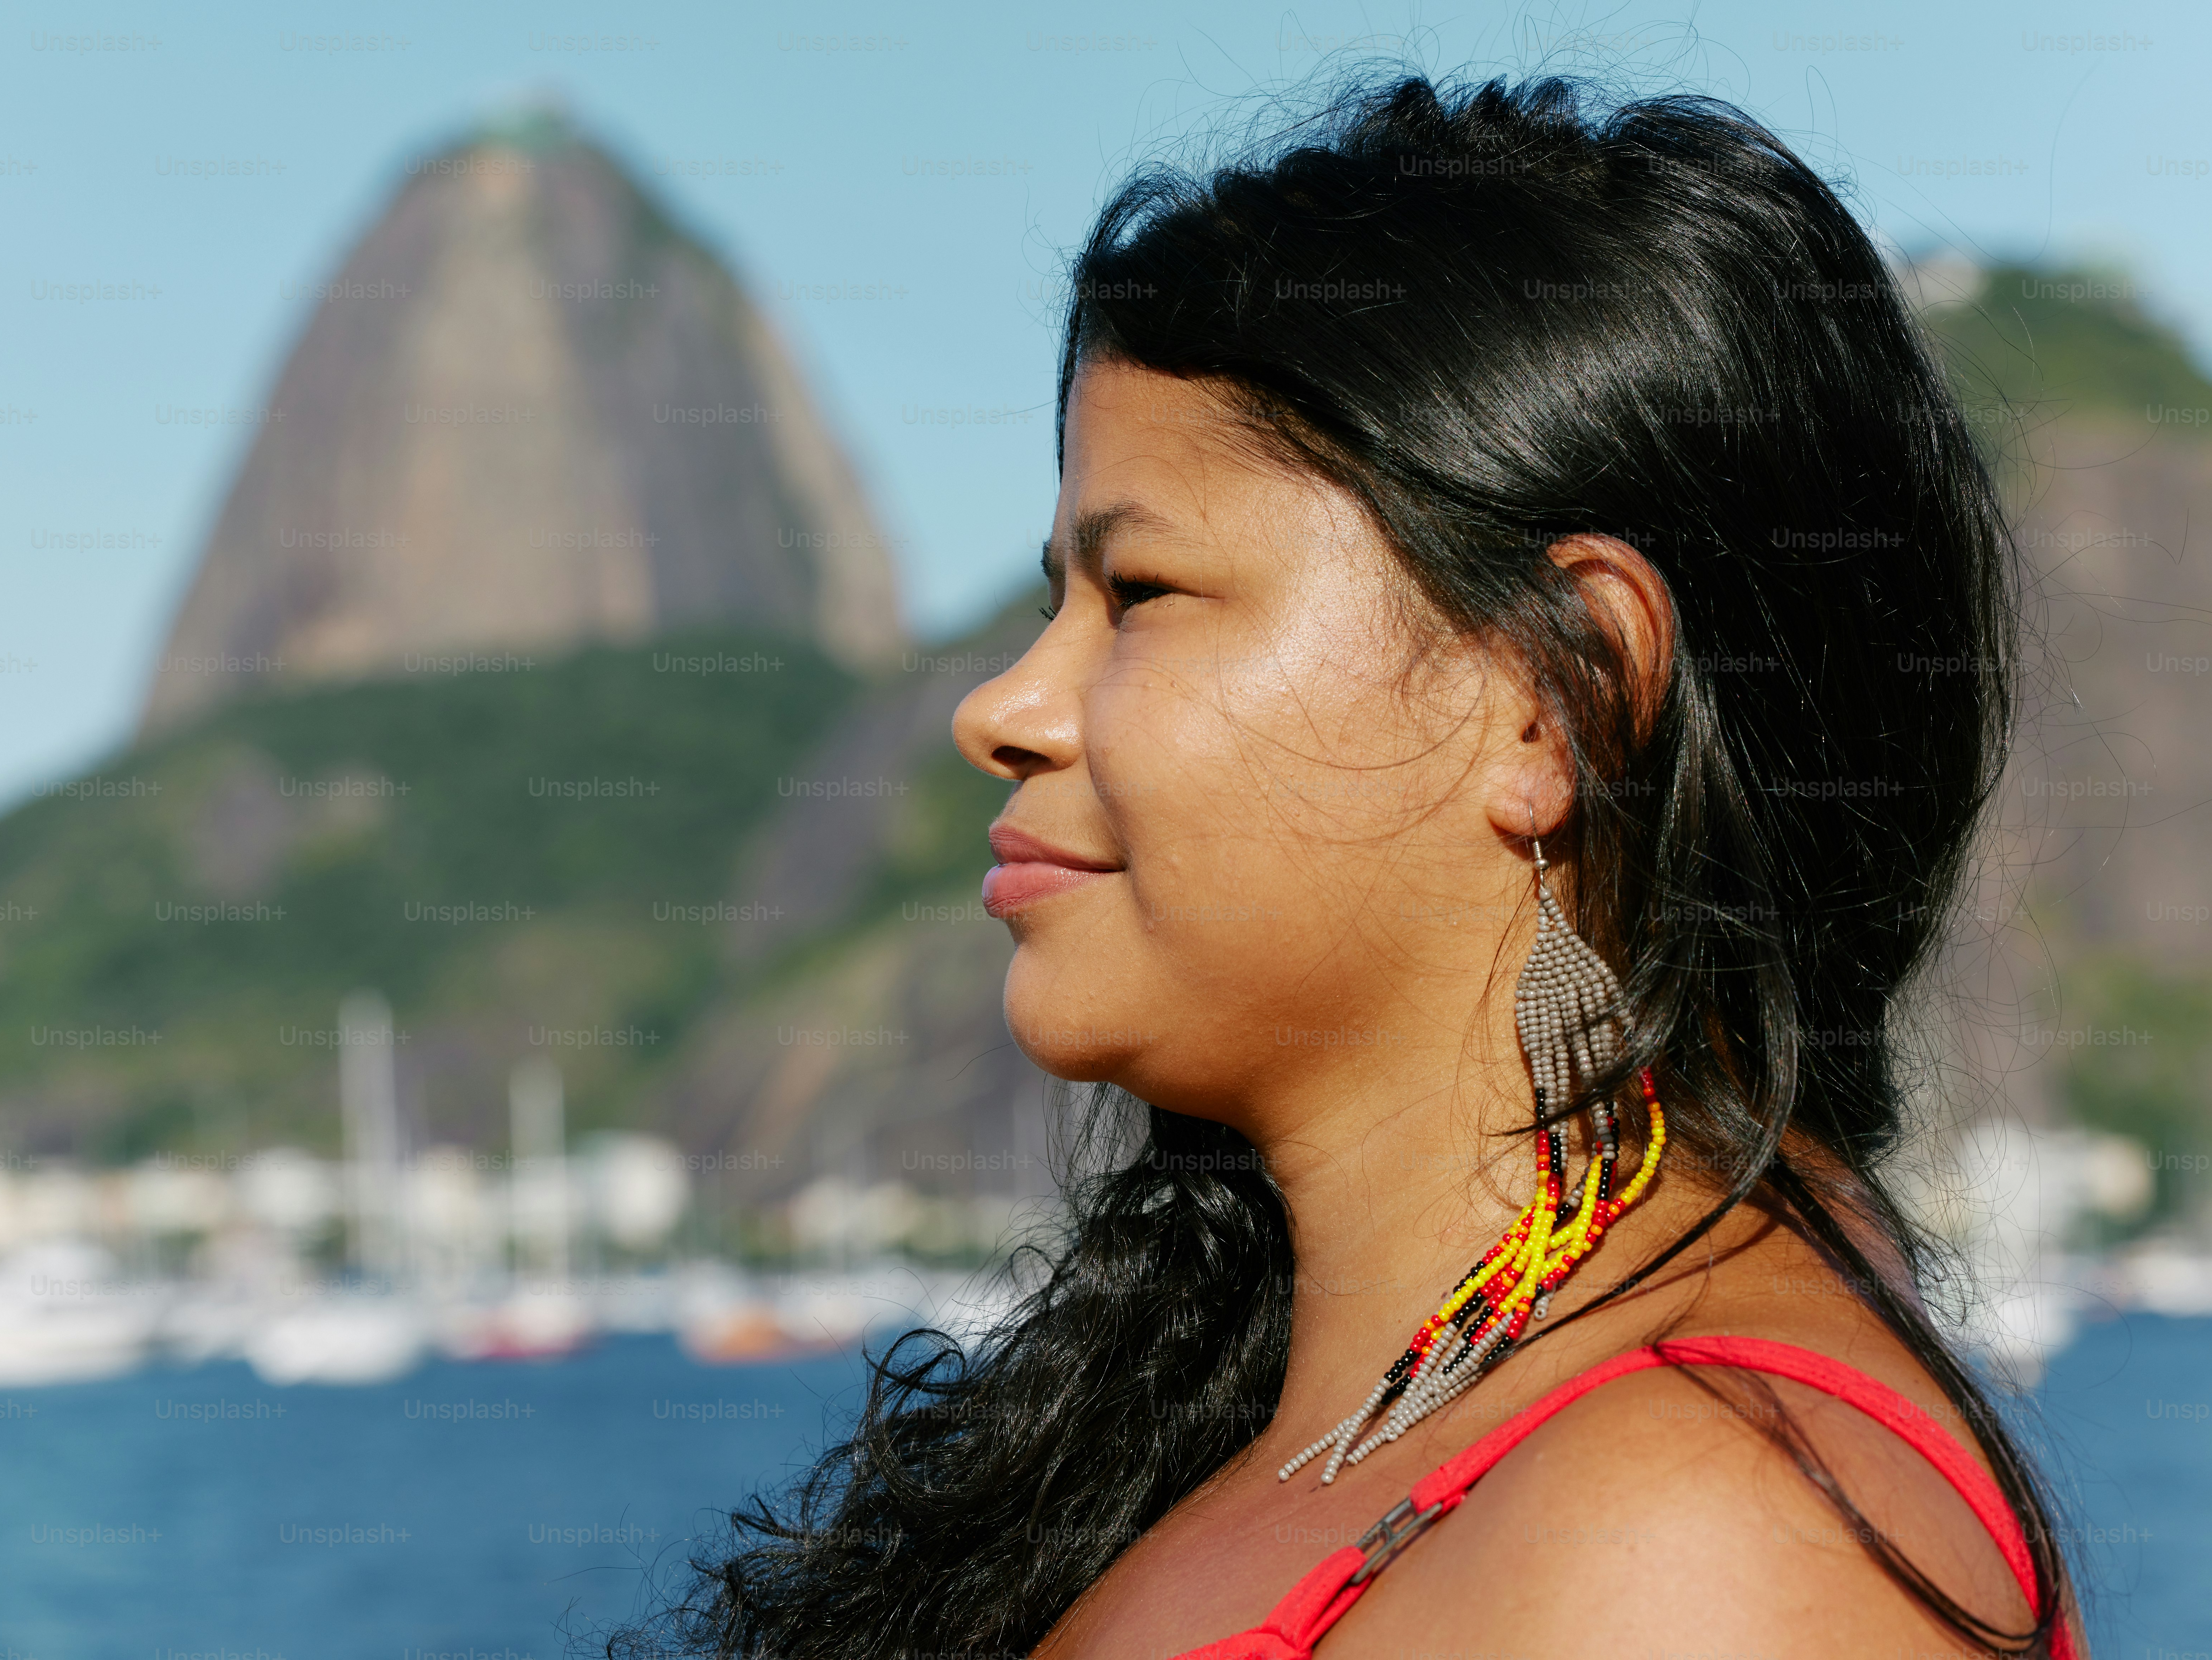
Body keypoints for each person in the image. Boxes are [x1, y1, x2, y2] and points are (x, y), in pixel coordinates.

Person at [670, 73, 2078, 1659]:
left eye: (1135, 592)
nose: (998, 710)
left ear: (1556, 697)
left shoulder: (1689, 1553)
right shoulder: (1303, 1421)